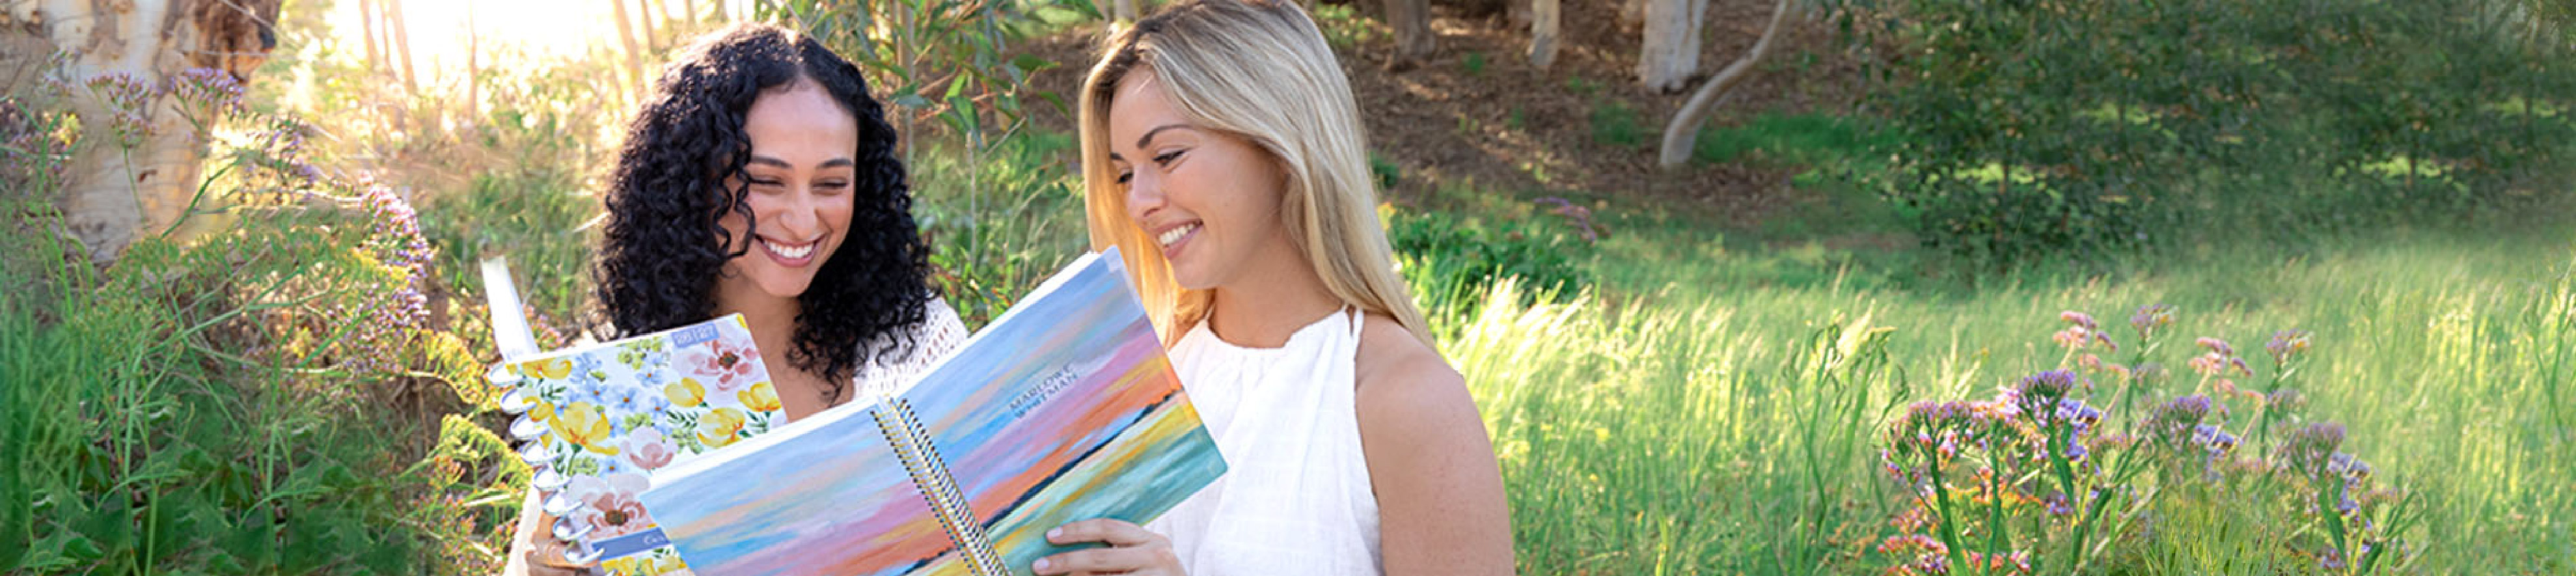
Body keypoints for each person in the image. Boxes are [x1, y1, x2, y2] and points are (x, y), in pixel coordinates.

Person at [1036, 1, 1515, 575]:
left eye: (1167, 156)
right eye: (1124, 174)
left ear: (1283, 145)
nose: (1139, 201)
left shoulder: (1405, 402)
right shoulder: (1138, 376)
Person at [505, 22, 967, 575]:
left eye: (830, 184)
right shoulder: (601, 383)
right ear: (691, 179)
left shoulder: (916, 348)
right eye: (766, 182)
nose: (802, 220)